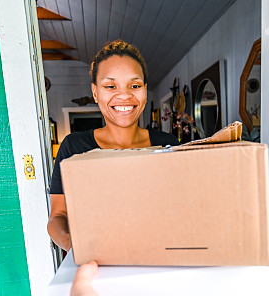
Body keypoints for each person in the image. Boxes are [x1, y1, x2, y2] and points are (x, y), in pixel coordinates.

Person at [47, 40, 179, 251]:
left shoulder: (168, 145)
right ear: (95, 92)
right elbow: (58, 216)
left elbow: (181, 209)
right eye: (110, 86)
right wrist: (72, 244)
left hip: (159, 256)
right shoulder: (74, 147)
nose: (125, 95)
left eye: (134, 86)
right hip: (98, 263)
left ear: (144, 90)